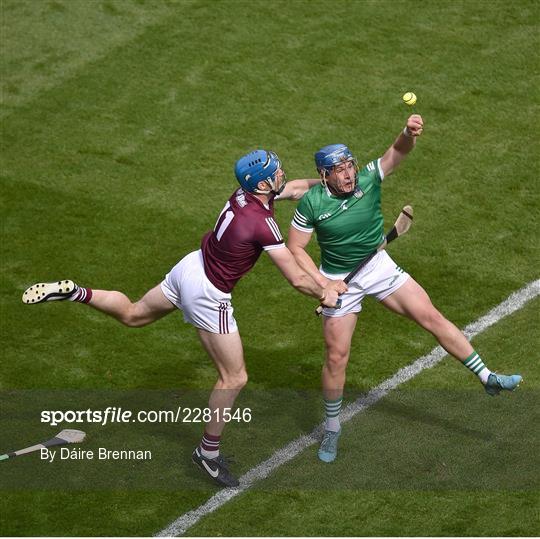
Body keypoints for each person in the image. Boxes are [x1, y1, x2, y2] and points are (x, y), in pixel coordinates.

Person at [23, 149, 346, 486]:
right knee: (234, 378)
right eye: (276, 171)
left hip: (190, 267)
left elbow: (293, 188)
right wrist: (324, 291)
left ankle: (76, 291)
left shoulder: (246, 193)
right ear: (263, 183)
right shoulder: (261, 223)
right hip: (208, 294)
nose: (282, 173)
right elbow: (295, 276)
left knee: (134, 314)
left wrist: (325, 183)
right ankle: (207, 455)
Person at [286, 115, 522, 463]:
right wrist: (325, 284)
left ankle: (487, 376)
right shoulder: (312, 203)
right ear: (324, 175)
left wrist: (407, 133)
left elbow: (397, 153)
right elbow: (295, 249)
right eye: (339, 169)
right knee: (337, 357)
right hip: (338, 278)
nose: (349, 173)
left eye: (349, 165)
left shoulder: (368, 177)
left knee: (431, 316)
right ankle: (333, 428)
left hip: (377, 265)